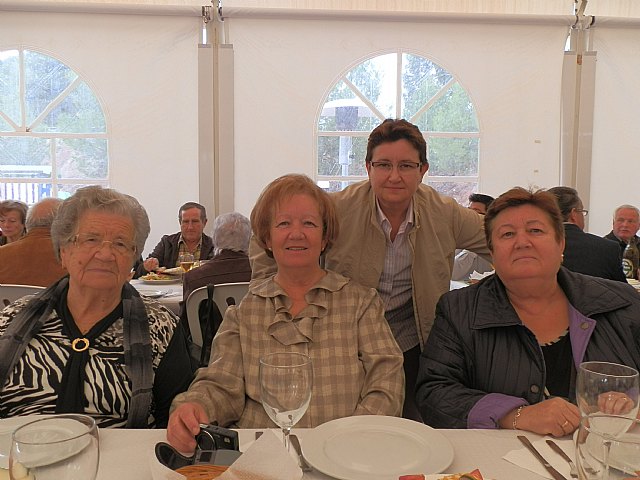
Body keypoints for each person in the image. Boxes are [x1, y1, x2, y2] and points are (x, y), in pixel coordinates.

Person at [251, 119, 489, 421]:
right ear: (368, 168)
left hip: (413, 342)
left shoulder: (445, 213)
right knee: (340, 420)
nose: (394, 176)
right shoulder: (338, 208)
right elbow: (263, 234)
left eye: (406, 166)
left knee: (408, 428)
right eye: (383, 165)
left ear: (423, 170)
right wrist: (270, 295)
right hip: (343, 340)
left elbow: (499, 238)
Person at [168, 174, 404, 452]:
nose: (296, 233)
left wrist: (353, 436)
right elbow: (221, 385)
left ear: (325, 237)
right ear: (267, 238)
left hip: (346, 453)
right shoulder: (245, 313)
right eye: (283, 223)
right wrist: (196, 406)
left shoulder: (361, 304)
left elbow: (387, 380)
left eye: (309, 223)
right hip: (262, 456)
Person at [415, 187, 640, 437]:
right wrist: (515, 415)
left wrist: (634, 405)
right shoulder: (459, 310)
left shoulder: (623, 303)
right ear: (492, 252)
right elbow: (434, 393)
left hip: (608, 454)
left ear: (561, 243)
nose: (522, 242)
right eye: (507, 234)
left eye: (535, 231)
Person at [0, 186, 193, 428]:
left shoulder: (161, 327)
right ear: (63, 251)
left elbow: (172, 422)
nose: (105, 254)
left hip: (121, 452)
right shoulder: (11, 319)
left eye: (121, 244)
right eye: (90, 239)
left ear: (133, 258)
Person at [179, 212, 252, 332]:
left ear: (215, 239)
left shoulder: (193, 278)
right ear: (249, 240)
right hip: (256, 341)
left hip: (209, 343)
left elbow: (185, 326)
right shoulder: (263, 274)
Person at [548, 186, 626, 282]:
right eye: (582, 212)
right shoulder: (607, 248)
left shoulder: (535, 246)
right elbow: (622, 289)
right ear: (573, 214)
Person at [0, 198, 67, 286]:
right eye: (2, 220)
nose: (6, 225)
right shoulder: (69, 255)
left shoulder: (3, 254)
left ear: (26, 222)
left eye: (12, 221)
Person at [135, 202, 214, 277]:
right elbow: (138, 272)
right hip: (170, 287)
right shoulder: (167, 243)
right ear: (180, 223)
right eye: (186, 222)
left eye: (195, 221)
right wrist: (147, 266)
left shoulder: (213, 246)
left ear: (204, 223)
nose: (190, 227)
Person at [452, 193, 495, 281]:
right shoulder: (459, 237)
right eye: (468, 212)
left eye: (476, 213)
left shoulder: (494, 243)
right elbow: (451, 273)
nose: (469, 217)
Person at [604, 204, 640, 280]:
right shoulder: (602, 245)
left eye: (630, 221)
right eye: (621, 220)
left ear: (639, 225)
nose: (625, 225)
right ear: (613, 223)